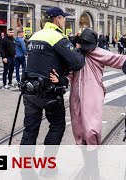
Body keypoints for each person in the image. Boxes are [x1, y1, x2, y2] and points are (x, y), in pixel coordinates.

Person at [20, 7, 85, 145]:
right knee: (57, 126)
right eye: (63, 18)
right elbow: (77, 62)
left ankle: (26, 166)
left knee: (29, 130)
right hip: (49, 91)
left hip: (30, 90)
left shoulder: (35, 36)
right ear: (57, 19)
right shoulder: (57, 36)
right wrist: (78, 51)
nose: (65, 21)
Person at [68, 29, 126, 145]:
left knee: (92, 128)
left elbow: (117, 59)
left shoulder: (99, 53)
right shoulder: (76, 54)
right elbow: (68, 71)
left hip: (92, 93)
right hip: (77, 94)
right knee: (78, 126)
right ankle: (85, 152)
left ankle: (92, 155)